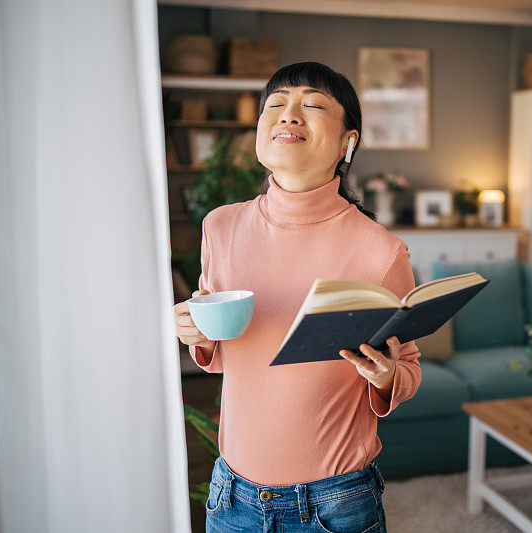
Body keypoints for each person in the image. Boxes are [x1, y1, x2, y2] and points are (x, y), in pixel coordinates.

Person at [174, 61, 422, 533]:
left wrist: (387, 375)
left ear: (348, 142)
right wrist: (193, 329)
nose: (289, 115)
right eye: (276, 105)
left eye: (312, 105)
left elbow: (408, 366)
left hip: (336, 501)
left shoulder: (382, 252)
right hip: (233, 493)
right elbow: (221, 350)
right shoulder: (220, 227)